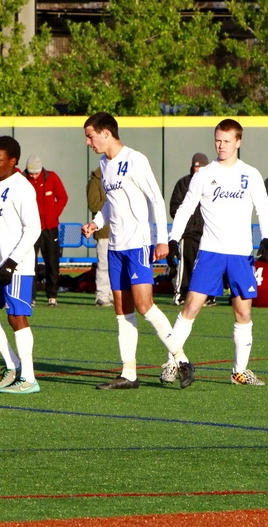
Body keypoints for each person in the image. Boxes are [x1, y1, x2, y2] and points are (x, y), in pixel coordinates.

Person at [81, 112, 193, 391]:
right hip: (115, 246)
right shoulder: (103, 165)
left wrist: (163, 240)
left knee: (144, 306)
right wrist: (96, 222)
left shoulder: (135, 159)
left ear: (106, 133)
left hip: (138, 244)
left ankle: (181, 360)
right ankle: (128, 373)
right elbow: (111, 204)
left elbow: (156, 198)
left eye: (90, 135)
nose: (88, 142)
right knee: (122, 309)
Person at [167, 118, 268, 386]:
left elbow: (264, 208)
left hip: (240, 254)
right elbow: (186, 207)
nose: (221, 145)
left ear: (238, 142)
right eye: (218, 140)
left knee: (243, 313)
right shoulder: (204, 174)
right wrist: (172, 238)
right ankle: (171, 364)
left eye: (227, 141)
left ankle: (239, 371)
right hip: (211, 253)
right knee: (191, 307)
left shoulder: (250, 174)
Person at [0, 135, 41, 394]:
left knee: (16, 316)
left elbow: (33, 229)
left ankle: (29, 378)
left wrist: (12, 262)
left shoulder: (23, 188)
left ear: (13, 161)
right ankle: (12, 366)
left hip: (19, 266)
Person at [168, 153, 216, 307]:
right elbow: (175, 208)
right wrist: (187, 225)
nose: (199, 169)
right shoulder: (183, 183)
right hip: (188, 234)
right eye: (196, 166)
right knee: (186, 264)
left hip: (207, 233)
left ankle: (207, 296)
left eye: (202, 167)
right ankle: (181, 294)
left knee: (206, 266)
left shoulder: (214, 183)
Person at [24, 154, 68, 307]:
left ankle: (52, 296)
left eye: (36, 173)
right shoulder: (22, 180)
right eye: (31, 173)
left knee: (52, 262)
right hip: (30, 229)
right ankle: (31, 297)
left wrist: (52, 215)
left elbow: (62, 197)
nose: (33, 176)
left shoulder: (52, 177)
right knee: (30, 264)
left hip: (50, 228)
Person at [86, 167, 112, 307]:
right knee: (103, 265)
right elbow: (93, 204)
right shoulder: (95, 181)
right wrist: (115, 203)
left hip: (119, 230)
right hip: (103, 230)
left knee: (116, 266)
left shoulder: (118, 176)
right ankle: (102, 295)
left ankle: (114, 294)